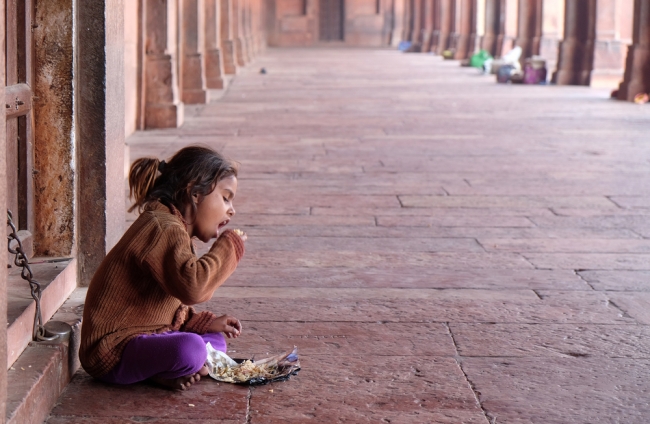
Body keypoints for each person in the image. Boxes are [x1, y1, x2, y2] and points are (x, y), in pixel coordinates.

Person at [79, 145, 246, 391]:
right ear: (195, 193)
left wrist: (203, 323)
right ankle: (173, 367)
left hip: (147, 336)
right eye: (225, 197)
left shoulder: (174, 227)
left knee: (215, 340)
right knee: (192, 349)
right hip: (112, 350)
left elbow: (166, 306)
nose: (232, 209)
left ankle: (164, 371)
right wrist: (228, 247)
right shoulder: (162, 227)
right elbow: (193, 288)